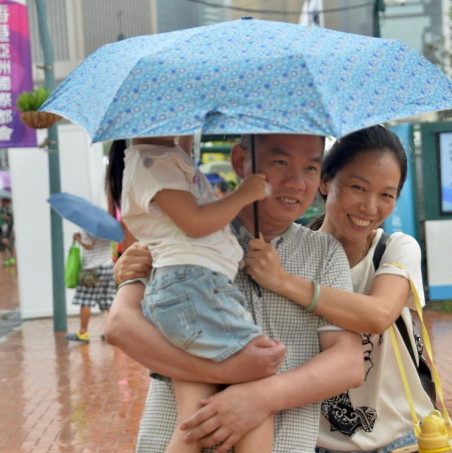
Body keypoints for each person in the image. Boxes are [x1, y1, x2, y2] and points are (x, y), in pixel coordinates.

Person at [106, 133, 364, 453]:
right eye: (280, 162)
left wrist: (257, 397)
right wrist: (129, 276)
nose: (296, 182)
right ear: (240, 161)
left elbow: (349, 363)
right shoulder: (181, 237)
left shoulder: (324, 252)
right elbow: (119, 328)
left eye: (311, 168)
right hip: (171, 436)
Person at [244, 126, 435, 452]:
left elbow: (378, 315)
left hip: (400, 441)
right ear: (324, 181)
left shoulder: (396, 249)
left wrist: (283, 282)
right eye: (358, 187)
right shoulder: (283, 252)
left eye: (386, 195)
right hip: (313, 444)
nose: (370, 206)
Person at [107, 133, 274, 453]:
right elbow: (196, 222)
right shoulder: (153, 162)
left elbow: (183, 152)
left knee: (194, 419)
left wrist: (186, 136)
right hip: (195, 287)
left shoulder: (166, 155)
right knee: (258, 382)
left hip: (189, 288)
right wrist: (244, 193)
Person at [65, 229, 116, 342]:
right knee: (108, 301)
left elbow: (88, 245)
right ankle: (116, 332)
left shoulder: (88, 229)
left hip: (92, 270)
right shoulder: (106, 230)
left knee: (85, 301)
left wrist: (78, 238)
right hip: (108, 267)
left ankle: (83, 333)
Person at [0, 198, 15, 266]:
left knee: (9, 244)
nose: (3, 203)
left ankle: (11, 257)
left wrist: (7, 217)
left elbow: (12, 219)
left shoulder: (10, 209)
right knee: (2, 246)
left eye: (4, 201)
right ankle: (5, 260)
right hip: (1, 229)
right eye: (2, 201)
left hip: (9, 230)